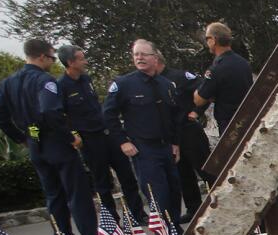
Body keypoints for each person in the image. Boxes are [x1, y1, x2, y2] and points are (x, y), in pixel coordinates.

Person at [0, 38, 99, 235]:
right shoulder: (44, 80)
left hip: (34, 143)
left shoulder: (9, 82)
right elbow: (50, 112)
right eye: (51, 57)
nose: (52, 61)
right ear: (41, 56)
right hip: (55, 142)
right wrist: (69, 137)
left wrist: (20, 137)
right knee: (77, 194)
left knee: (53, 197)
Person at [56, 44, 145, 225]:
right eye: (81, 59)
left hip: (107, 134)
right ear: (70, 62)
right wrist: (73, 135)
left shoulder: (86, 79)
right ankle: (112, 220)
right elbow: (59, 115)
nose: (85, 61)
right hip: (89, 139)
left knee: (127, 176)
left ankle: (138, 213)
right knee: (102, 183)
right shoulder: (61, 86)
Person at [102, 38, 185, 224]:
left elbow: (175, 117)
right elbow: (108, 115)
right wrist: (123, 141)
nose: (139, 58)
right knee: (158, 194)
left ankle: (175, 232)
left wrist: (175, 143)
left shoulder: (166, 85)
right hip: (145, 148)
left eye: (144, 54)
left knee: (174, 190)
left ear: (155, 58)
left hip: (166, 147)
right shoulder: (124, 84)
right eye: (136, 54)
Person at [160, 54, 209, 222]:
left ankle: (222, 205)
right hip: (172, 136)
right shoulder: (151, 83)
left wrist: (198, 111)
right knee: (183, 175)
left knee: (206, 169)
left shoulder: (179, 76)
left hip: (189, 131)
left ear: (157, 60)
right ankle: (194, 210)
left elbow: (205, 89)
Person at [192, 21, 252, 136]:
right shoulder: (244, 63)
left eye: (207, 38)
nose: (206, 41)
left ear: (213, 40)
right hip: (247, 118)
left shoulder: (217, 68)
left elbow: (199, 100)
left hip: (228, 124)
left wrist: (198, 90)